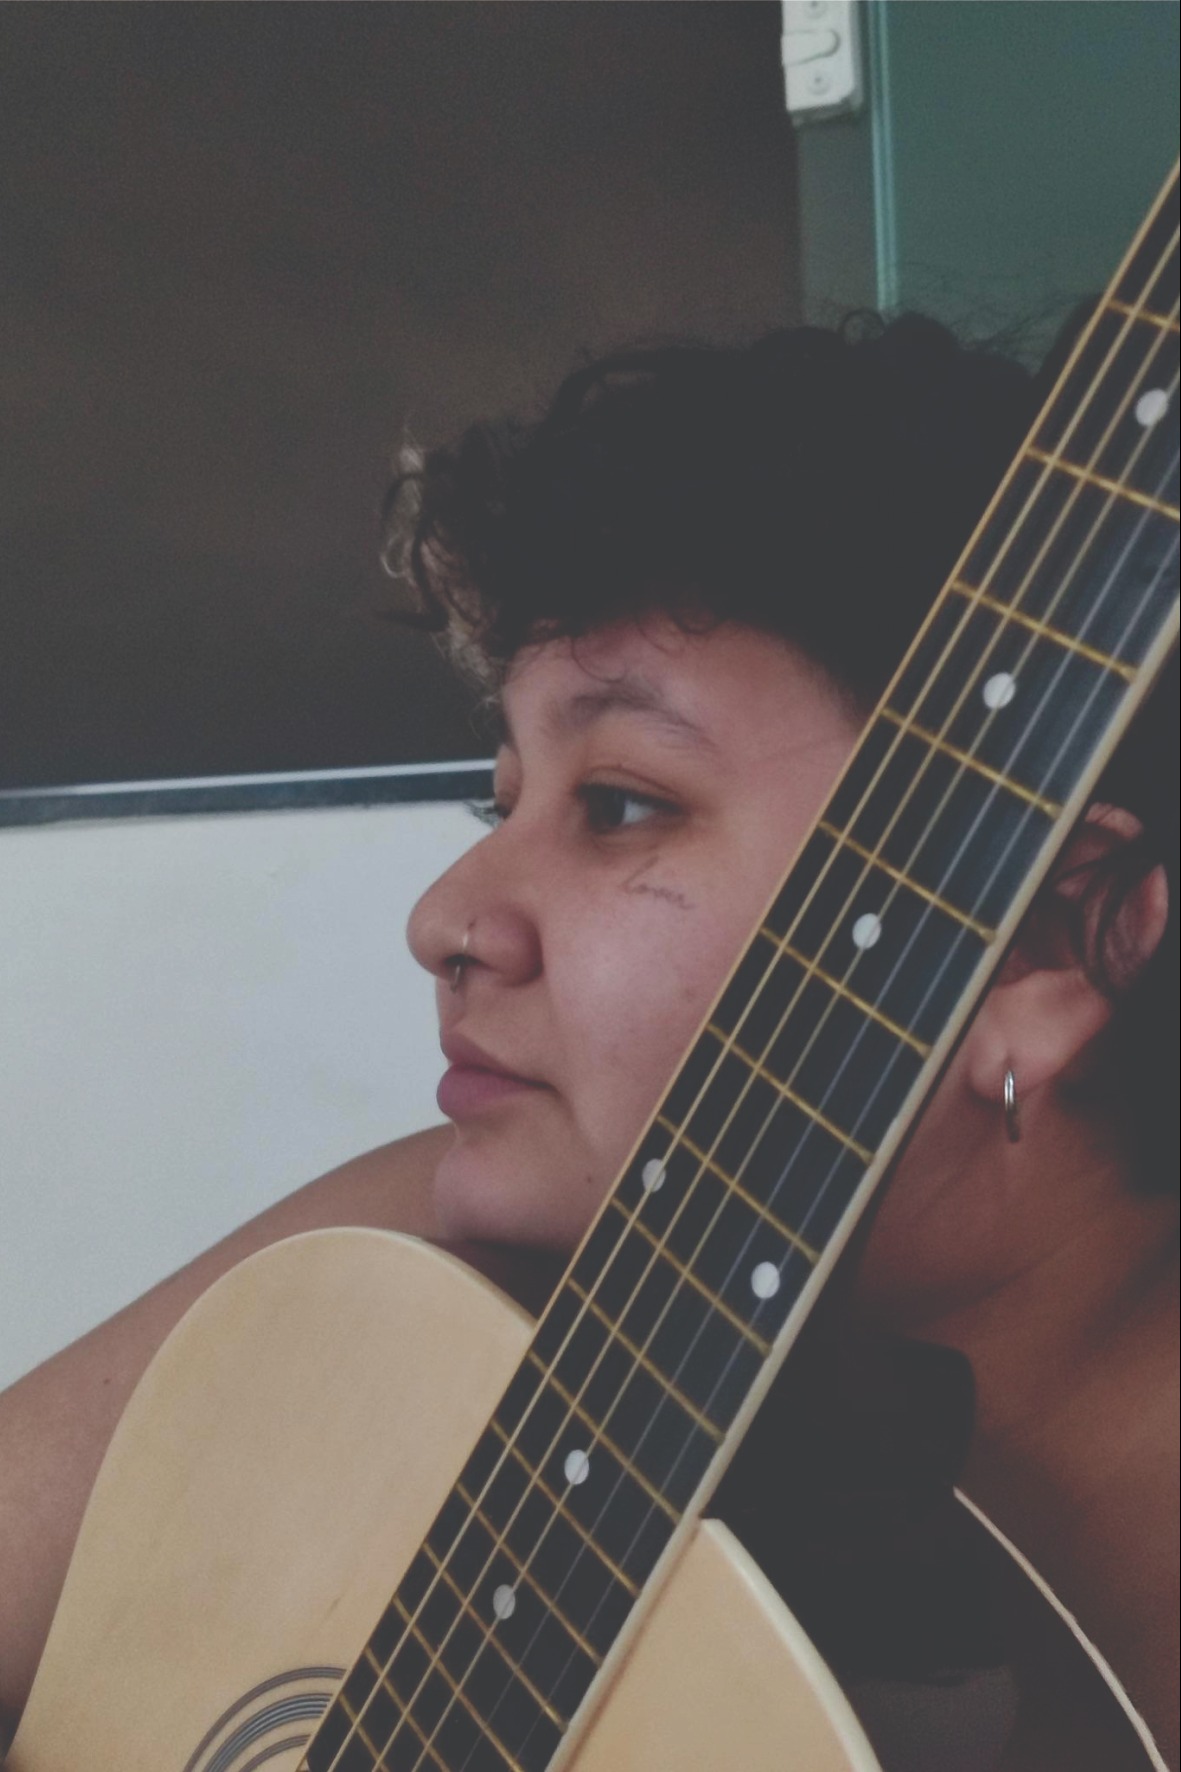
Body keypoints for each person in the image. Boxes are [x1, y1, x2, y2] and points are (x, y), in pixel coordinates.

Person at [0, 318, 1175, 1769]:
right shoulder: (435, 1275)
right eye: (502, 800)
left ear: (1042, 949)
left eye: (620, 804)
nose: (445, 919)